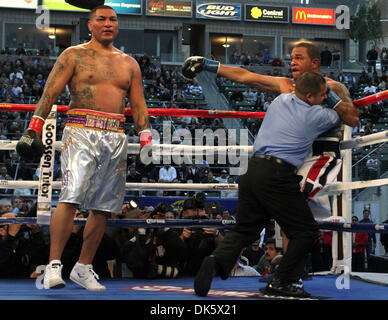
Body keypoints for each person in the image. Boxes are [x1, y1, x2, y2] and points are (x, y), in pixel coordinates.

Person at [15, 5, 151, 291]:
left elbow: (137, 104)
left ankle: (83, 267)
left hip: (115, 135)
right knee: (70, 196)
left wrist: (146, 136)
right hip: (80, 130)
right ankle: (54, 265)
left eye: (112, 19)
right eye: (101, 19)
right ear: (90, 24)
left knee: (104, 206)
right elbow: (50, 91)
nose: (107, 24)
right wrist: (34, 127)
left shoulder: (129, 63)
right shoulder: (73, 55)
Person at [191, 71, 352, 298]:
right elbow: (346, 114)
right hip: (277, 174)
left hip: (252, 171)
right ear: (309, 96)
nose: (323, 98)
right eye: (321, 95)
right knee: (305, 231)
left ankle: (216, 261)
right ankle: (282, 282)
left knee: (245, 229)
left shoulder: (280, 100)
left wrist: (320, 89)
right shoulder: (317, 116)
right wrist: (332, 96)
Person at [182, 42, 359, 220]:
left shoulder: (332, 87)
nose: (293, 62)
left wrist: (329, 96)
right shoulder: (286, 84)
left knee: (297, 210)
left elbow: (352, 118)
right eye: (292, 58)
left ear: (314, 63)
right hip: (289, 157)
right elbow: (247, 76)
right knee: (288, 218)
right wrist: (209, 65)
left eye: (299, 57)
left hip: (318, 154)